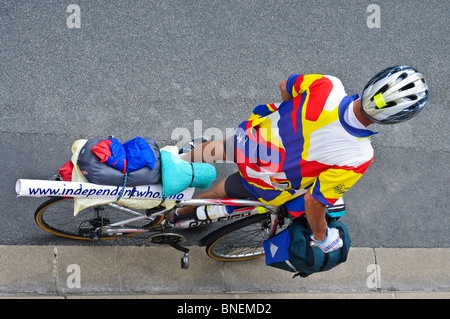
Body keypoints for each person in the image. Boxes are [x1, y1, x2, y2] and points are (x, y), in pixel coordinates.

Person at [175, 65, 428, 253]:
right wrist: (321, 236)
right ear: (395, 119)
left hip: (253, 140)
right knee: (227, 188)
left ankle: (177, 165)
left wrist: (288, 112)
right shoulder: (359, 156)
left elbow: (286, 86)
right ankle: (182, 213)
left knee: (219, 147)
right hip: (267, 179)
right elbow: (315, 200)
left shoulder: (329, 85)